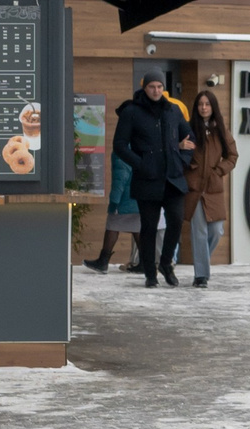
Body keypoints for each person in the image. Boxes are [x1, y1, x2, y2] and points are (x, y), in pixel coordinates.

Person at [112, 73, 194, 287]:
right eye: (152, 86)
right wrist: (141, 163)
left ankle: (166, 263)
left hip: (173, 178)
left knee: (176, 220)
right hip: (147, 179)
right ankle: (150, 273)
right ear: (144, 87)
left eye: (159, 86)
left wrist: (182, 159)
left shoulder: (173, 110)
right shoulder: (131, 112)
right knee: (148, 227)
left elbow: (189, 137)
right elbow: (120, 146)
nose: (156, 91)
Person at [179, 87, 236, 287]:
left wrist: (219, 170)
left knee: (216, 230)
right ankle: (201, 276)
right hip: (193, 186)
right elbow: (175, 150)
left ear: (213, 107)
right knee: (199, 231)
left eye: (207, 104)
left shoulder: (221, 130)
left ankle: (202, 263)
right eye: (200, 104)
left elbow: (232, 156)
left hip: (213, 187)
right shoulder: (187, 128)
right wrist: (180, 148)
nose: (204, 108)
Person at [84, 151, 138, 273]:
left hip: (124, 200)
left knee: (112, 226)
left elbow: (120, 178)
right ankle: (145, 263)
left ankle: (103, 261)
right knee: (137, 228)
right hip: (137, 197)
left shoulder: (122, 152)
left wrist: (114, 200)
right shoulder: (137, 147)